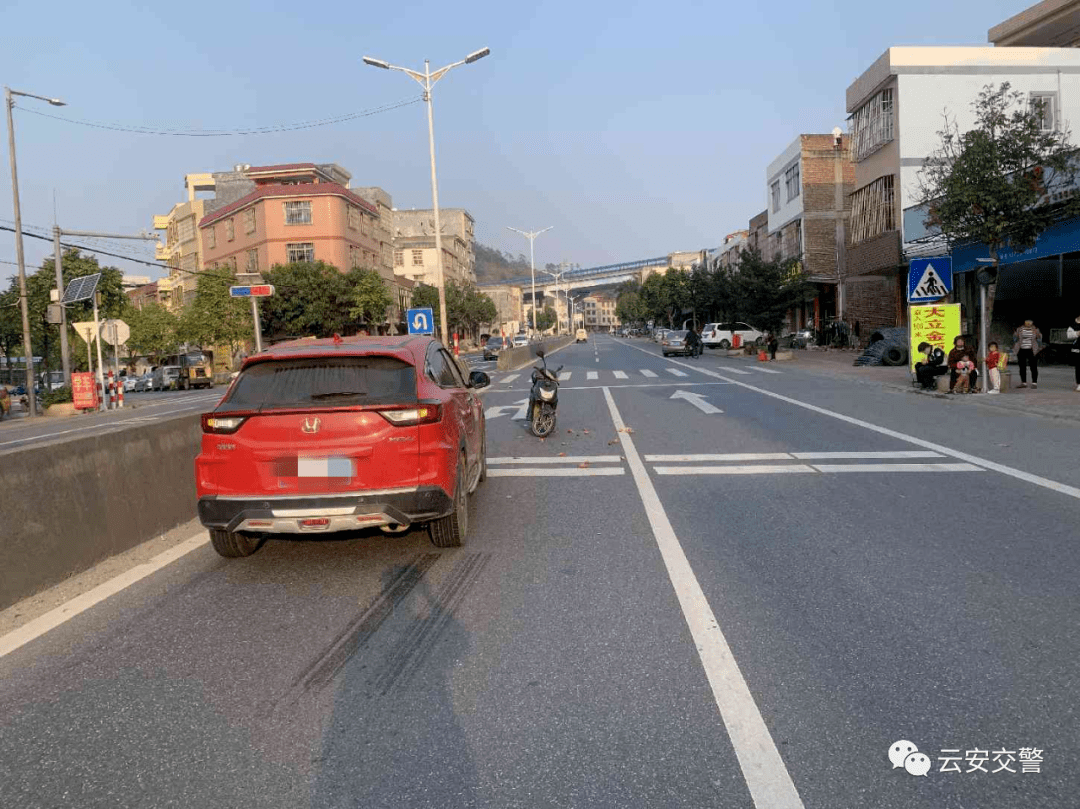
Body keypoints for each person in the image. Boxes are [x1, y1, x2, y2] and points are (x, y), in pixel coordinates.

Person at [1012, 319, 1043, 389]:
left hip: (1032, 350)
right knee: (1022, 366)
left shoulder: (1035, 329)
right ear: (1024, 322)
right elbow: (1015, 338)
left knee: (1033, 366)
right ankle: (1023, 382)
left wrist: (1038, 335)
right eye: (1027, 321)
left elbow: (1040, 339)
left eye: (1030, 322)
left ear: (1032, 322)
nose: (1028, 323)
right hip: (1021, 349)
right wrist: (1016, 334)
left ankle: (1034, 383)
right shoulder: (1020, 329)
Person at [1068, 315, 1080, 392]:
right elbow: (1069, 335)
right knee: (1078, 367)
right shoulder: (1073, 325)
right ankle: (1079, 384)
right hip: (1078, 349)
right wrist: (1077, 333)